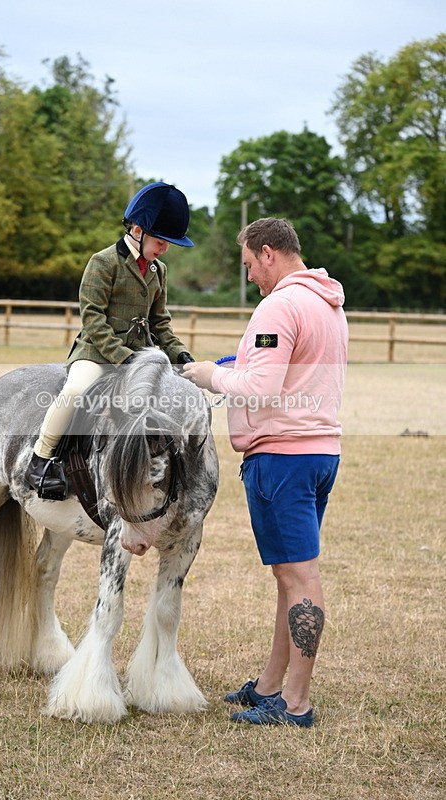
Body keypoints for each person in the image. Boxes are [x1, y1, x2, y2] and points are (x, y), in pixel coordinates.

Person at [183, 217, 348, 728]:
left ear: (269, 252)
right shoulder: (328, 303)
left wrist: (209, 374)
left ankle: (295, 704)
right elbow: (287, 371)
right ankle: (270, 686)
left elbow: (262, 387)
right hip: (318, 453)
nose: (251, 275)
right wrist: (241, 366)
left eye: (250, 264)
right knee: (289, 575)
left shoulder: (279, 305)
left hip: (283, 458)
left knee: (299, 577)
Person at [25, 181, 195, 500]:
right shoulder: (103, 262)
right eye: (160, 241)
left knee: (171, 399)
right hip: (97, 353)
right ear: (138, 230)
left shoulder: (159, 270)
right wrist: (123, 356)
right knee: (76, 391)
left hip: (140, 357)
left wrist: (180, 354)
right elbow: (93, 319)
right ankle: (41, 459)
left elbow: (160, 322)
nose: (164, 249)